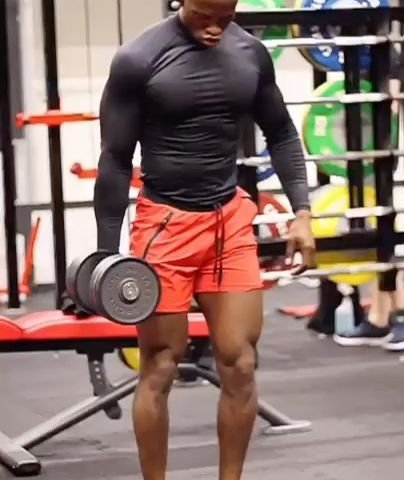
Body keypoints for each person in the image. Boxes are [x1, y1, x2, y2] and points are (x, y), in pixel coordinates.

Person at [92, 0, 315, 478]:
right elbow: (114, 158)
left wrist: (302, 211)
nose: (214, 28)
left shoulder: (250, 53)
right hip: (164, 225)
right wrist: (106, 257)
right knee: (161, 364)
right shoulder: (139, 58)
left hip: (228, 221)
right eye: (203, 16)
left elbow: (281, 133)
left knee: (240, 363)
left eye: (225, 17)